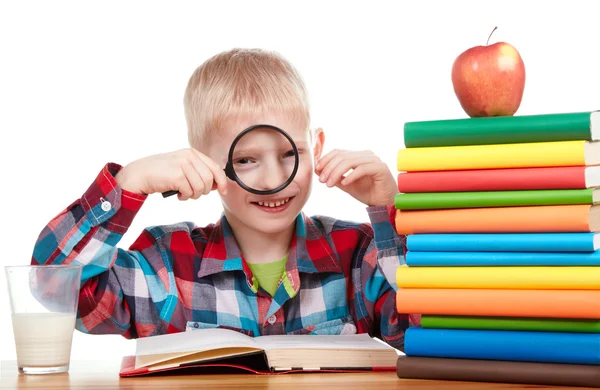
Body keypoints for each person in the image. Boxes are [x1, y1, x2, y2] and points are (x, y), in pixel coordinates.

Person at [31, 48, 420, 350]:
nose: (274, 180)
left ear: (315, 147)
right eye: (245, 159)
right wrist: (128, 183)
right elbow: (55, 286)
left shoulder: (361, 257)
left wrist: (392, 212)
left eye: (289, 154)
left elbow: (427, 332)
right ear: (203, 164)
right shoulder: (165, 265)